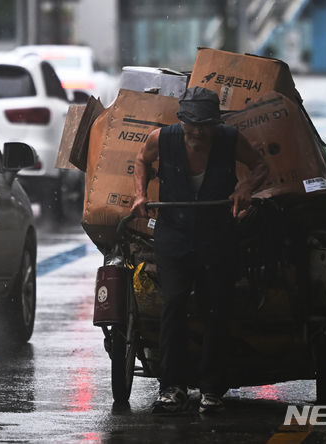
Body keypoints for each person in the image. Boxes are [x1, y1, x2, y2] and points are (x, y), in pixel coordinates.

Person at [131, 87, 268, 414]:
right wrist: (139, 193)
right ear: (181, 121)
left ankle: (212, 390)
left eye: (204, 125)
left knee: (216, 309)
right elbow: (140, 160)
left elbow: (261, 166)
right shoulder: (162, 139)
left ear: (215, 124)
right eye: (191, 125)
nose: (197, 132)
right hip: (173, 233)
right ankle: (172, 388)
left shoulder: (229, 139)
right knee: (174, 303)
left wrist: (246, 186)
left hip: (216, 235)